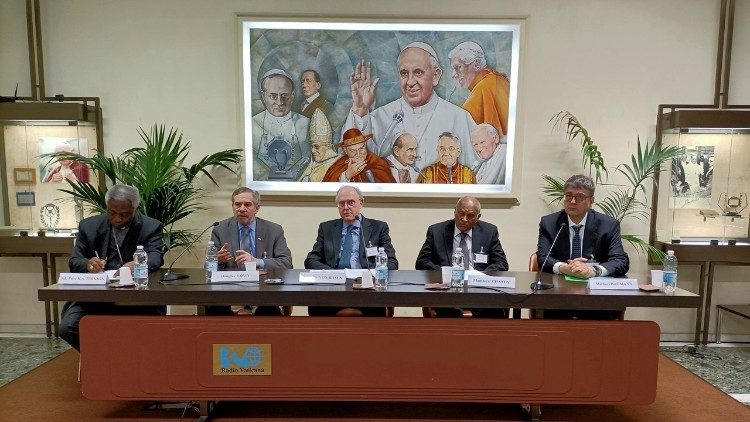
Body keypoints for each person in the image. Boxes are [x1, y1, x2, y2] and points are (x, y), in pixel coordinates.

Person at [59, 184, 164, 351]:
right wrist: (88, 264)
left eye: (124, 214)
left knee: (153, 330)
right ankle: (104, 357)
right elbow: (75, 260)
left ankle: (123, 360)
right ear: (106, 207)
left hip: (138, 299)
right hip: (95, 298)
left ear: (136, 209)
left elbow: (155, 257)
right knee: (68, 327)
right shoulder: (89, 226)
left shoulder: (150, 227)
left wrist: (137, 264)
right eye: (112, 213)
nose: (117, 219)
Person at [343, 42, 477, 170]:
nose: (410, 82)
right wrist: (360, 109)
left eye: (418, 72)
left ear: (435, 76)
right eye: (404, 73)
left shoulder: (459, 118)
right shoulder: (380, 116)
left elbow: (475, 170)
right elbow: (350, 159)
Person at [536, 174, 630, 320]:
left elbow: (620, 261)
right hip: (558, 297)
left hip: (597, 300)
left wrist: (593, 271)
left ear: (591, 200)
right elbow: (543, 258)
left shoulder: (608, 225)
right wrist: (564, 268)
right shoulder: (550, 223)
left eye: (579, 197)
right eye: (568, 196)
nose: (572, 201)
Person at [304, 185, 398, 316]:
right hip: (334, 287)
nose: (346, 207)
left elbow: (392, 263)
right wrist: (333, 275)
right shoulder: (327, 228)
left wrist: (371, 275)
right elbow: (311, 260)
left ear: (361, 203)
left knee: (374, 308)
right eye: (341, 204)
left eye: (350, 202)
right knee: (317, 306)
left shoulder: (378, 228)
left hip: (366, 289)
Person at [415, 196, 509, 318]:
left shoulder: (489, 231)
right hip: (447, 289)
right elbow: (421, 262)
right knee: (448, 309)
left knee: (492, 311)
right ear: (455, 212)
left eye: (470, 216)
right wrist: (445, 273)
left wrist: (481, 276)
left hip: (478, 288)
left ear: (478, 217)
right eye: (461, 213)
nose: (464, 219)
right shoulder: (437, 231)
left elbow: (502, 263)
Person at [208, 187, 293, 316]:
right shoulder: (220, 229)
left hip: (264, 291)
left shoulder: (273, 230)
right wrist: (218, 260)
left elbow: (286, 263)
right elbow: (209, 268)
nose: (242, 209)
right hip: (231, 291)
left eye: (247, 204)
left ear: (257, 208)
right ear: (232, 206)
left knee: (269, 311)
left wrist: (258, 261)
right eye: (237, 204)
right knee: (213, 308)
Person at [252, 68, 310, 181]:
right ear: (263, 96)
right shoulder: (252, 125)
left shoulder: (306, 124)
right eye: (273, 96)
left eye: (285, 95)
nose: (280, 102)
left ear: (292, 96)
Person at [448, 41, 510, 136]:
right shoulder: (499, 80)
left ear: (476, 64)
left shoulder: (484, 86)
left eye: (458, 67)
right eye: (453, 69)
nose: (453, 75)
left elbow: (462, 130)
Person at [322, 128, 396, 183]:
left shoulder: (377, 162)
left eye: (361, 148)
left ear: (365, 146)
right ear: (346, 151)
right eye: (353, 151)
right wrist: (347, 175)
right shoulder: (339, 164)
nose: (358, 154)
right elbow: (327, 187)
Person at [299, 109, 341, 182]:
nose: (312, 150)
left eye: (316, 147)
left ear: (328, 146)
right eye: (312, 146)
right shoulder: (313, 165)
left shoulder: (339, 164)